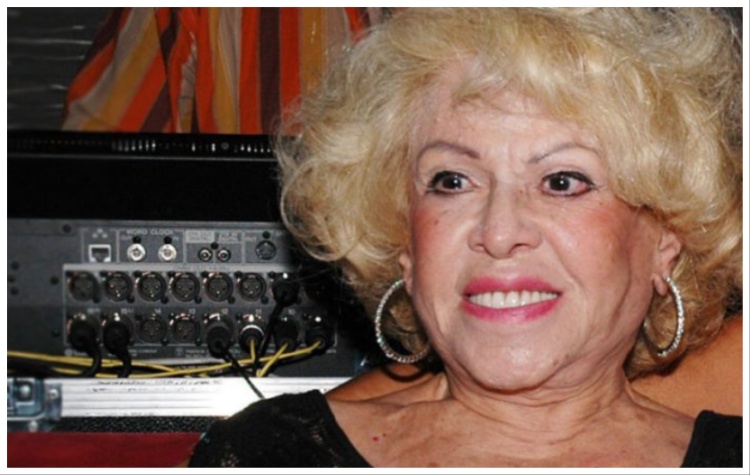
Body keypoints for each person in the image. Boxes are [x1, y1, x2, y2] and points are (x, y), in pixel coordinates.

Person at [188, 8, 743, 467]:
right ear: (404, 243)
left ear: (665, 236)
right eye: (451, 181)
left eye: (562, 181)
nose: (498, 232)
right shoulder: (266, 454)